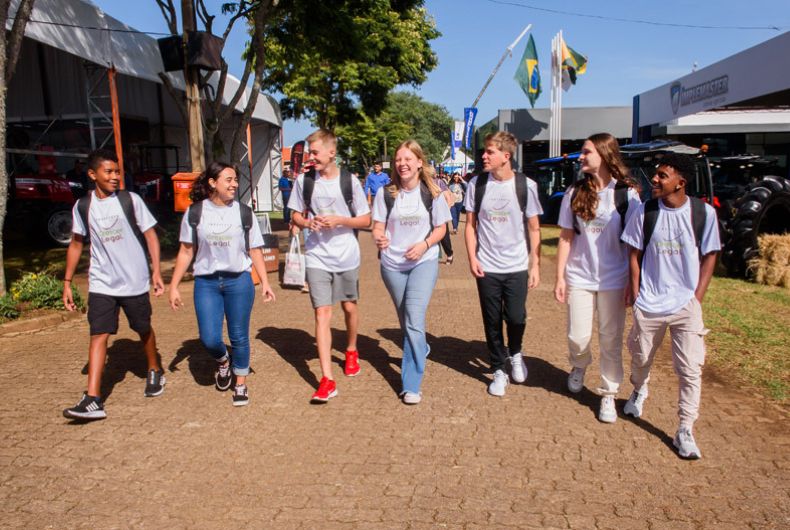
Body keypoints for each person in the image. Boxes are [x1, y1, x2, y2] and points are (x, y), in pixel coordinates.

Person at [620, 152, 720, 459]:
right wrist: (637, 293)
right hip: (649, 303)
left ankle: (685, 428)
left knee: (690, 369)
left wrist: (696, 298)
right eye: (656, 174)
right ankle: (640, 389)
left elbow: (710, 255)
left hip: (685, 306)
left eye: (662, 175)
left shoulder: (703, 213)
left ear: (680, 182)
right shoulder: (646, 211)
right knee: (639, 359)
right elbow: (634, 253)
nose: (655, 179)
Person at [62, 149, 165, 421]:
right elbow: (76, 244)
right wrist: (67, 282)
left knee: (142, 328)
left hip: (134, 280)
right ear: (92, 174)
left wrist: (156, 271)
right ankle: (93, 399)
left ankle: (154, 368)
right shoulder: (83, 206)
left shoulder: (130, 200)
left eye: (117, 171)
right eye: (108, 172)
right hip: (101, 282)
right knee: (98, 334)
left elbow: (150, 235)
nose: (115, 176)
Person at [168, 162, 276, 407]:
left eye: (235, 179)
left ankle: (241, 384)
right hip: (206, 283)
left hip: (239, 281)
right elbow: (186, 251)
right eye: (228, 179)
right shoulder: (195, 213)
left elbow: (255, 250)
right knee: (209, 338)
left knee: (239, 336)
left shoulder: (244, 213)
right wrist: (174, 285)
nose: (234, 184)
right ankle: (223, 361)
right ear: (212, 182)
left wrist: (266, 282)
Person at [553, 133, 641, 423]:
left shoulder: (626, 195)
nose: (580, 156)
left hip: (614, 279)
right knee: (578, 336)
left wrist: (632, 282)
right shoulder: (574, 192)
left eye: (586, 151)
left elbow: (634, 243)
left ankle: (608, 393)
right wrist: (560, 277)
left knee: (610, 339)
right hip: (579, 276)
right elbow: (566, 237)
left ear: (604, 154)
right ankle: (579, 364)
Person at [288, 129, 371, 402]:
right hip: (317, 256)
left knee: (349, 307)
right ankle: (327, 379)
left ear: (332, 152)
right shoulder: (304, 181)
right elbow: (295, 215)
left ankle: (351, 349)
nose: (311, 157)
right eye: (309, 152)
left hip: (346, 255)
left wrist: (340, 220)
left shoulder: (349, 181)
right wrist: (306, 222)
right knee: (322, 313)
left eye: (315, 152)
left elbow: (366, 220)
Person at [372, 140, 452, 405]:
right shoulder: (386, 194)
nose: (402, 164)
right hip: (392, 266)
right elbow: (377, 226)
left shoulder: (432, 192)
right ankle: (421, 346)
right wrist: (379, 237)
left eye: (407, 159)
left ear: (419, 162)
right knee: (407, 323)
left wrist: (424, 245)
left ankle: (411, 384)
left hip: (423, 262)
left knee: (414, 319)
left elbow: (441, 229)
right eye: (398, 159)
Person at [464, 131, 542, 397]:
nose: (484, 156)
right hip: (487, 265)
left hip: (516, 265)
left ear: (506, 156)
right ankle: (498, 368)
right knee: (492, 319)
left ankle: (515, 352)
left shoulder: (525, 185)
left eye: (490, 152)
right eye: (484, 152)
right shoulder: (477, 184)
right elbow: (470, 225)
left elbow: (534, 227)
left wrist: (535, 264)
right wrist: (472, 257)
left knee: (517, 317)